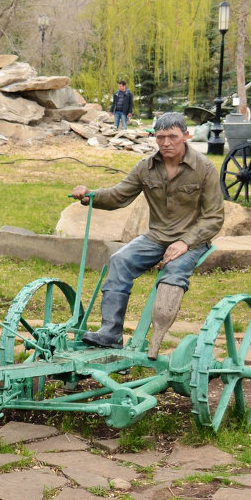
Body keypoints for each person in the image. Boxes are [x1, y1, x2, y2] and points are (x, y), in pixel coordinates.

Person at [71, 112, 224, 357]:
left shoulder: (204, 168)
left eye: (172, 137)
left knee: (173, 273)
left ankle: (156, 342)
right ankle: (110, 333)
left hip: (193, 239)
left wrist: (185, 242)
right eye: (160, 137)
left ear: (186, 136)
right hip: (156, 237)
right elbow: (119, 195)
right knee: (120, 260)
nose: (166, 143)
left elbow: (214, 216)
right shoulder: (146, 167)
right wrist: (91, 196)